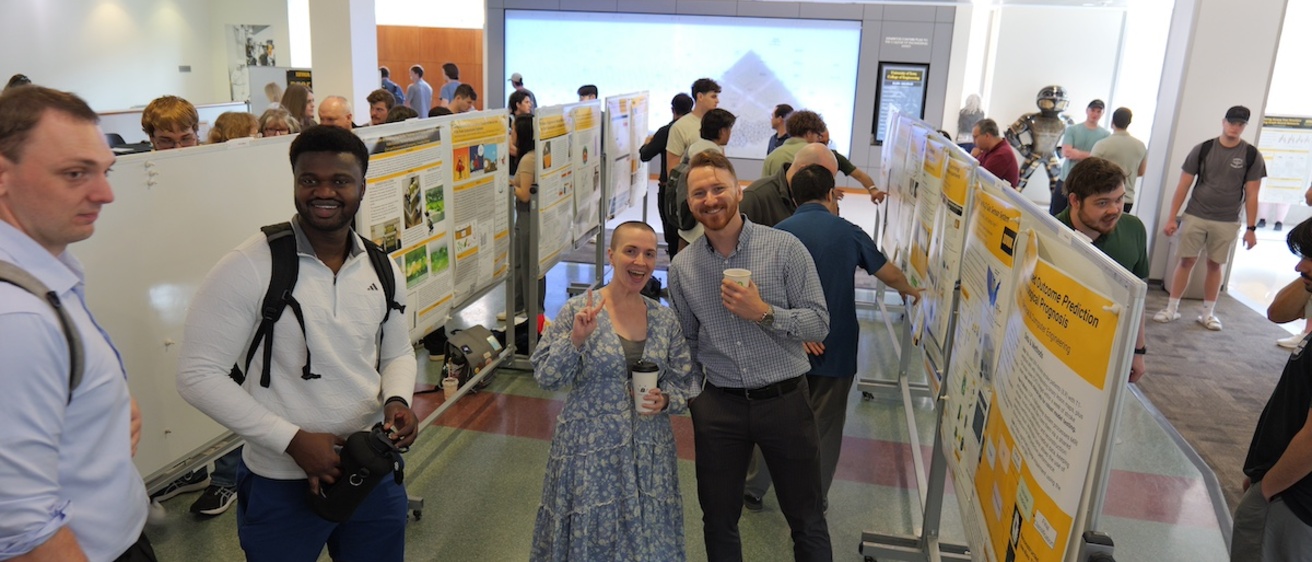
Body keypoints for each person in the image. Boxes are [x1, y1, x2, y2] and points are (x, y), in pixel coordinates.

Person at [176, 125, 418, 561]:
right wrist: (292, 441)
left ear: (362, 187)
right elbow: (196, 375)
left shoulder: (381, 267)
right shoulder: (250, 265)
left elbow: (397, 351)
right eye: (310, 180)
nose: (324, 191)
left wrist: (397, 401)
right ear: (294, 182)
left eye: (340, 181)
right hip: (278, 482)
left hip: (369, 472)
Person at [0, 84, 155, 562]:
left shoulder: (45, 268)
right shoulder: (16, 318)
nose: (105, 193)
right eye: (75, 174)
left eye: (104, 171)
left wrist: (102, 405)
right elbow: (22, 528)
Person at [667, 150, 832, 560]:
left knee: (807, 519)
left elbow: (818, 324)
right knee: (718, 520)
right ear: (690, 204)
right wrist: (695, 400)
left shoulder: (784, 248)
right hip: (719, 409)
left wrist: (764, 313)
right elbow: (686, 341)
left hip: (786, 403)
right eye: (699, 193)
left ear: (738, 192)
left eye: (718, 188)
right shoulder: (683, 267)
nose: (710, 199)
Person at [743, 165, 922, 512]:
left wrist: (795, 329)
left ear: (793, 197)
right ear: (830, 194)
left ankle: (753, 487)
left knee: (775, 421)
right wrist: (911, 290)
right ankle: (813, 497)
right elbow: (889, 273)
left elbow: (760, 292)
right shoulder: (849, 232)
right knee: (823, 426)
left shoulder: (776, 233)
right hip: (835, 349)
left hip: (785, 345)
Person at [529, 221, 695, 561]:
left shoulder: (664, 321)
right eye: (630, 251)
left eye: (649, 254)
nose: (640, 262)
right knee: (593, 535)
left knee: (646, 538)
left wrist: (666, 400)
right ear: (611, 254)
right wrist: (576, 339)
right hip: (589, 451)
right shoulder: (580, 310)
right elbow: (546, 376)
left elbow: (685, 381)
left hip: (649, 451)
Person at [1231, 217, 1312, 562]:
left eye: (1308, 257)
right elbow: (1278, 312)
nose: (1298, 266)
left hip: (1292, 498)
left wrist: (1268, 488)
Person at [1154, 105, 1266, 332]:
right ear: (1223, 122)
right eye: (1231, 122)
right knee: (1186, 260)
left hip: (1227, 219)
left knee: (1215, 264)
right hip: (1196, 214)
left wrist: (1251, 228)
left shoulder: (1251, 155)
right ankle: (1171, 308)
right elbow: (1183, 185)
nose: (1234, 127)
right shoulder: (1203, 149)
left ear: (1244, 127)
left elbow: (1253, 194)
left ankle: (1208, 313)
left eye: (1240, 124)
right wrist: (1171, 218)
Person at [1055, 157, 1149, 383]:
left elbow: (1138, 298)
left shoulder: (1133, 229)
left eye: (1119, 199)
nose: (1115, 210)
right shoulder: (1051, 234)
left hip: (1112, 350)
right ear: (1075, 200)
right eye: (1102, 203)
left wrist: (1138, 351)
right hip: (1061, 349)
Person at [640, 93, 694, 257]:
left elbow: (645, 155)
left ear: (673, 109)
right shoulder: (694, 129)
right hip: (691, 188)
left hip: (670, 190)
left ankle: (675, 266)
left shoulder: (668, 130)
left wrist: (647, 143)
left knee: (671, 233)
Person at [740, 142, 838, 227]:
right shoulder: (755, 198)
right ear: (803, 170)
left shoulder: (824, 203)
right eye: (823, 178)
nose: (827, 187)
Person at [510, 115, 548, 318]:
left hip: (527, 218)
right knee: (522, 262)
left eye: (513, 130)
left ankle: (532, 312)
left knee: (528, 264)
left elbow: (524, 194)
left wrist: (509, 186)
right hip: (530, 218)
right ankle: (520, 308)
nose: (511, 134)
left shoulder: (527, 159)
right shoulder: (535, 154)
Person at [1052, 99, 1110, 215]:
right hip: (1066, 178)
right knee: (1056, 213)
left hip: (1087, 182)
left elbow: (1100, 159)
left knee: (1078, 216)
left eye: (1099, 111)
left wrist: (1077, 153)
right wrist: (1091, 154)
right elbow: (1067, 153)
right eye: (1093, 110)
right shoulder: (1072, 130)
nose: (1095, 114)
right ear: (1087, 111)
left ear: (1102, 114)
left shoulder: (1105, 135)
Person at [1090, 107, 1148, 213]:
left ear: (1112, 122)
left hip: (1103, 198)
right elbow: (1141, 172)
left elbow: (1089, 170)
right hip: (1127, 198)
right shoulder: (1140, 146)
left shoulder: (1102, 144)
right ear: (1129, 122)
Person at [665, 78, 721, 179]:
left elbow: (721, 158)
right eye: (713, 97)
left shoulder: (717, 124)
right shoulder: (680, 126)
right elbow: (672, 168)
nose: (717, 101)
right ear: (700, 97)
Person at [971, 118, 1020, 188]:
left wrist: (973, 157)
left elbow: (978, 179)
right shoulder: (988, 148)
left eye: (975, 137)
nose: (973, 142)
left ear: (987, 136)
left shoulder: (1002, 155)